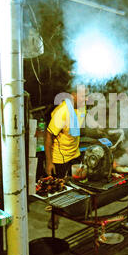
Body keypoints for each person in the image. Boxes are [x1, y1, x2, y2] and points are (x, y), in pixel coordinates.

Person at [44, 87, 86, 229]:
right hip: (59, 156)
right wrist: (49, 162)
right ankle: (54, 218)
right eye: (82, 96)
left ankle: (74, 211)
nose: (85, 99)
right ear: (72, 95)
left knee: (78, 183)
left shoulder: (81, 107)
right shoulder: (62, 112)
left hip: (75, 153)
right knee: (58, 190)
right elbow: (48, 136)